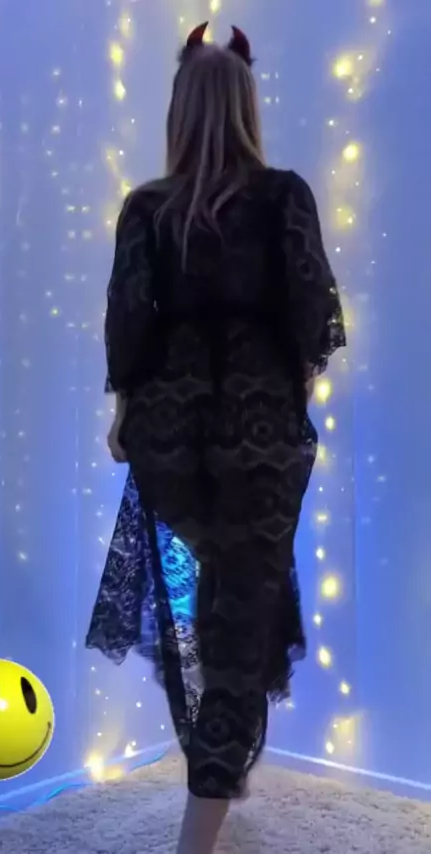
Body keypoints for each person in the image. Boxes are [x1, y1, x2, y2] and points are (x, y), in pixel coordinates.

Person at [86, 21, 346, 854]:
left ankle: (219, 771)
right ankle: (206, 809)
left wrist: (125, 416)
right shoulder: (284, 196)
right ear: (246, 104)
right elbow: (312, 320)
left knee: (209, 608)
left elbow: (129, 326)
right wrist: (292, 397)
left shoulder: (147, 208)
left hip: (170, 436)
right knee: (239, 620)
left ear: (179, 107)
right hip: (259, 435)